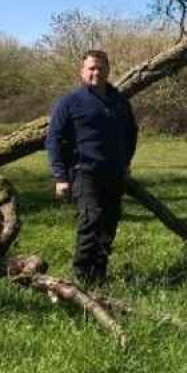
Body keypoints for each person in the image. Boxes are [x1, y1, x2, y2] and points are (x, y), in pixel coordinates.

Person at [46, 50, 138, 284]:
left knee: (109, 223)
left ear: (108, 71)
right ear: (82, 71)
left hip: (114, 173)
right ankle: (81, 276)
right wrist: (60, 177)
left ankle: (99, 273)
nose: (96, 72)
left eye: (101, 68)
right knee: (91, 219)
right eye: (91, 68)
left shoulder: (119, 101)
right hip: (83, 172)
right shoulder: (69, 102)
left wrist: (126, 163)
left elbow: (131, 133)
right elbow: (54, 139)